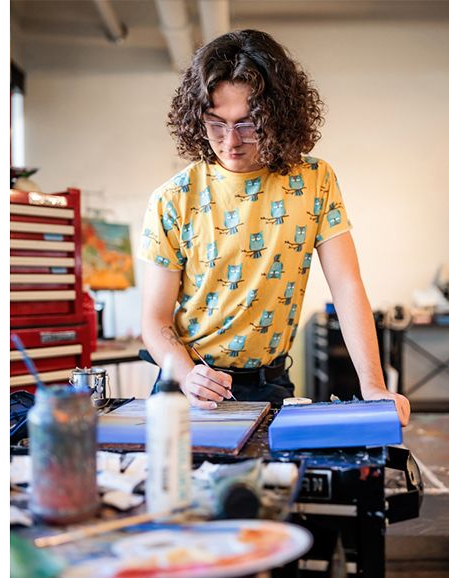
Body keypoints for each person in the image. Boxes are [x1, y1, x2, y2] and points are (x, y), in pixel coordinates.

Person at [138, 29, 410, 426]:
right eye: (216, 123)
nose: (230, 141)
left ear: (276, 118)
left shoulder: (315, 179)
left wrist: (373, 386)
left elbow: (347, 285)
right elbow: (155, 319)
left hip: (272, 383)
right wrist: (185, 374)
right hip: (192, 387)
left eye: (247, 125)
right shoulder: (172, 198)